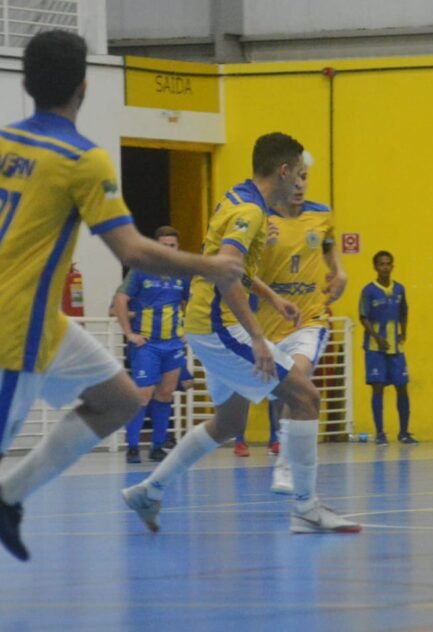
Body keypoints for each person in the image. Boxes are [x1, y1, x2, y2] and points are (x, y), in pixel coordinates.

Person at [0, 30, 243, 562]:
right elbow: (133, 251)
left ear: (25, 82)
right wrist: (214, 267)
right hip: (17, 328)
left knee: (120, 399)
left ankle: (9, 497)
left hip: (43, 319)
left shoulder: (4, 142)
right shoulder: (81, 159)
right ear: (85, 87)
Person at [121, 132, 360, 535]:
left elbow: (232, 267)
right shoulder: (250, 211)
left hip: (205, 322)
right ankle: (305, 508)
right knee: (306, 396)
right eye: (299, 174)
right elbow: (228, 274)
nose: (302, 182)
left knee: (229, 421)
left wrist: (268, 295)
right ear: (283, 171)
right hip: (218, 326)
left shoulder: (237, 196)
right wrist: (256, 335)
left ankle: (150, 489)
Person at [255, 153, 347, 495]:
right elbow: (244, 272)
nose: (299, 185)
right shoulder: (260, 219)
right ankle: (156, 485)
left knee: (298, 379)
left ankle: (285, 467)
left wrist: (340, 272)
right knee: (230, 417)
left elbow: (328, 250)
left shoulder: (321, 214)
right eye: (293, 178)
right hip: (266, 326)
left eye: (304, 178)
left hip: (310, 320)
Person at [113, 226, 191, 463]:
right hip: (146, 344)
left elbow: (189, 302)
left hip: (172, 344)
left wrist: (185, 331)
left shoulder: (183, 273)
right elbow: (120, 299)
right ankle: (133, 446)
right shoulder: (141, 269)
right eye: (164, 245)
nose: (168, 249)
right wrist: (129, 333)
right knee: (143, 393)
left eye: (173, 246)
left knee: (166, 393)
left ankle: (158, 446)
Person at [359, 251, 415, 445]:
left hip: (396, 349)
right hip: (375, 348)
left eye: (388, 264)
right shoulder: (368, 291)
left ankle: (404, 432)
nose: (385, 267)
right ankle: (380, 433)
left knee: (402, 387)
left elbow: (404, 312)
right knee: (378, 388)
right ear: (375, 267)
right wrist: (376, 337)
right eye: (381, 264)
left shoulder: (399, 289)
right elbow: (363, 317)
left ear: (392, 266)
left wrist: (404, 332)